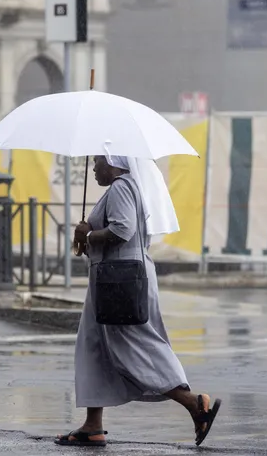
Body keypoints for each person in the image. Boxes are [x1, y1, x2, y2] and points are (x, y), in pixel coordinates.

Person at [57, 155, 221, 448]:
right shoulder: (121, 188)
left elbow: (122, 230)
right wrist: (87, 236)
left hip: (120, 282)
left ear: (114, 162)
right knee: (93, 346)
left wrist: (90, 234)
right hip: (112, 280)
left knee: (135, 346)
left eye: (97, 161)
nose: (94, 167)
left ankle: (194, 403)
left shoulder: (121, 186)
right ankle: (92, 425)